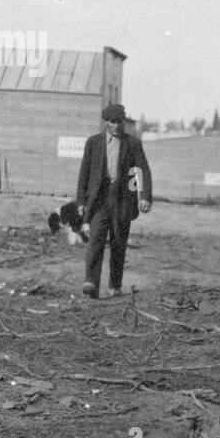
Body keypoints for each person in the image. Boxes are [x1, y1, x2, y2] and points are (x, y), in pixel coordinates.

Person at [76, 103, 152, 298]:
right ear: (106, 123)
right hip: (99, 200)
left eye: (120, 122)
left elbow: (140, 170)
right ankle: (91, 282)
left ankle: (114, 286)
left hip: (122, 200)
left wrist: (143, 196)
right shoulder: (93, 143)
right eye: (113, 122)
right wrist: (81, 201)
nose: (117, 126)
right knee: (96, 240)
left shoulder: (133, 143)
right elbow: (84, 173)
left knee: (119, 243)